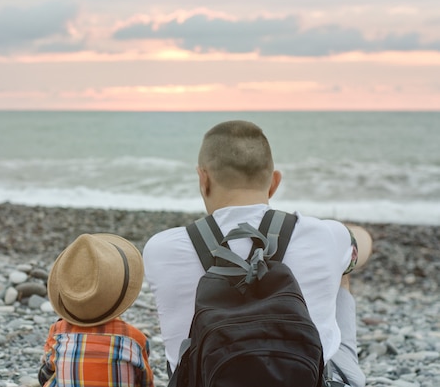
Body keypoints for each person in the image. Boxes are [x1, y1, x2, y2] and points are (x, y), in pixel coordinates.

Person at [143, 120, 372, 387]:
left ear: (203, 179)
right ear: (275, 181)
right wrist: (350, 237)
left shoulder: (161, 248)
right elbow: (361, 245)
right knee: (343, 269)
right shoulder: (325, 235)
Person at [38, 233, 155, 387]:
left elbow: (45, 374)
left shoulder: (58, 331)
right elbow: (146, 381)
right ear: (120, 294)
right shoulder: (134, 339)